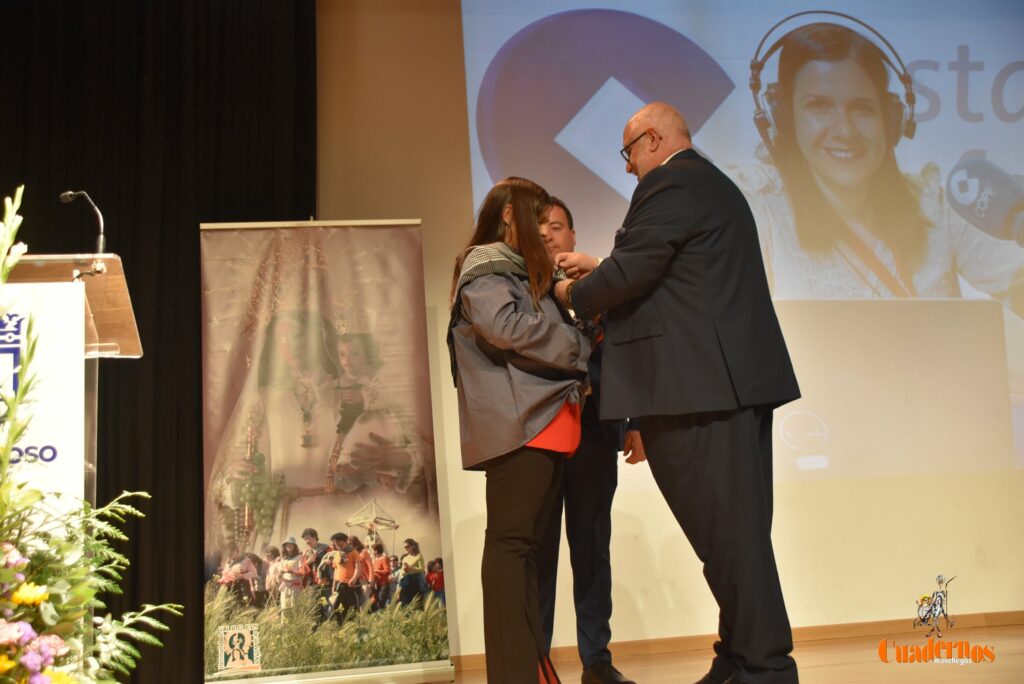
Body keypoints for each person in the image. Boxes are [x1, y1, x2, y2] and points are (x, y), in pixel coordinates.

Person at [555, 102, 801, 684]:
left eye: (628, 153)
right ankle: (739, 660)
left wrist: (569, 291)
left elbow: (631, 275)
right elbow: (671, 274)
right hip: (721, 388)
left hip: (697, 395)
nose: (628, 168)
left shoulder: (669, 183)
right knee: (734, 536)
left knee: (731, 540)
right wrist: (605, 265)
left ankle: (766, 668)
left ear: (653, 140)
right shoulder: (707, 184)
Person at [742, 22, 1024, 391]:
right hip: (812, 426)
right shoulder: (756, 209)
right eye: (819, 106)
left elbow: (1018, 281)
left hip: (937, 421)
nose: (844, 130)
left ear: (891, 120)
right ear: (784, 117)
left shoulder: (935, 204)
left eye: (862, 109)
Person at [448, 177, 592, 684]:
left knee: (523, 551)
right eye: (536, 217)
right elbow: (506, 327)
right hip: (520, 427)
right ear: (510, 215)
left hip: (539, 423)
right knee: (512, 547)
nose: (544, 231)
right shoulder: (486, 265)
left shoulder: (517, 269)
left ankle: (529, 669)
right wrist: (579, 344)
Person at [535, 197, 640, 684]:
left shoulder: (599, 288)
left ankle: (596, 661)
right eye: (540, 226)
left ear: (573, 236)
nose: (548, 234)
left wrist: (636, 421)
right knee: (539, 552)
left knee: (592, 548)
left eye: (557, 226)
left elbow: (625, 354)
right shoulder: (522, 287)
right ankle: (536, 661)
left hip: (595, 430)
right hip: (541, 433)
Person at [277, 537, 307, 619]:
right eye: (287, 544)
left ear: (294, 546)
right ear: (284, 546)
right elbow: (280, 573)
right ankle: (284, 626)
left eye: (291, 544)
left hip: (295, 586)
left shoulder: (299, 557)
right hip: (285, 586)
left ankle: (295, 625)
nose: (289, 546)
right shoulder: (283, 559)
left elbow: (302, 572)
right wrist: (279, 574)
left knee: (294, 608)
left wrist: (292, 571)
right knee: (284, 608)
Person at [369, 542, 392, 611]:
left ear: (376, 551)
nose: (372, 552)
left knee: (381, 601)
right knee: (375, 601)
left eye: (373, 550)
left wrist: (376, 571)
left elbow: (388, 571)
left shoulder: (384, 559)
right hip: (377, 585)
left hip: (384, 584)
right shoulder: (375, 560)